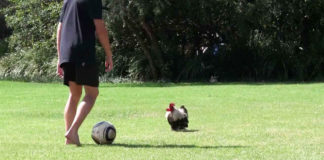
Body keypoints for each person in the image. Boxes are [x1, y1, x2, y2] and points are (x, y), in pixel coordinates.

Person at [56, 0, 113, 146]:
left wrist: (60, 56)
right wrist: (109, 54)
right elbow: (100, 28)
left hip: (66, 52)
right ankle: (72, 131)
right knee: (92, 94)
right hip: (83, 52)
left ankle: (69, 139)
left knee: (74, 95)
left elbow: (60, 27)